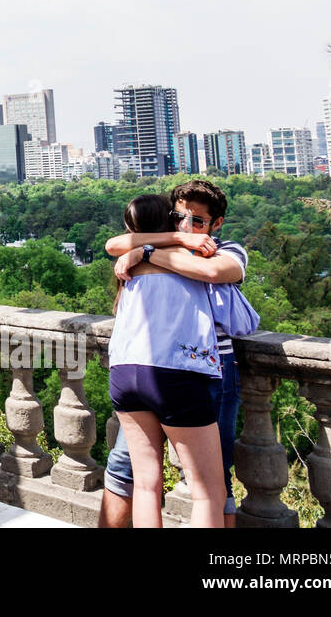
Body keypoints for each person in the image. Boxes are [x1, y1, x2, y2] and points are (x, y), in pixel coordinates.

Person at [99, 179, 255, 527]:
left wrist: (146, 251)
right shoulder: (175, 247)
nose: (186, 226)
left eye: (197, 221)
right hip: (183, 370)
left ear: (216, 224)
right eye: (178, 217)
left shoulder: (219, 250)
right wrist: (172, 242)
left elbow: (213, 270)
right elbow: (114, 244)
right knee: (207, 490)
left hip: (127, 370)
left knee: (146, 484)